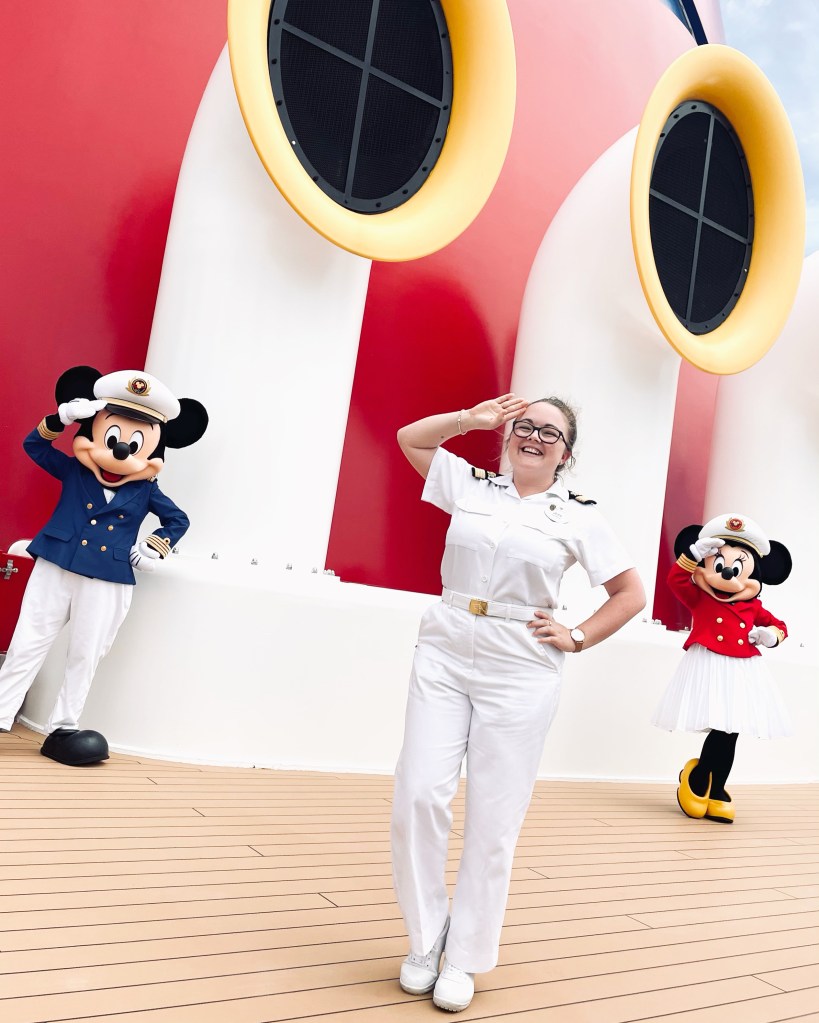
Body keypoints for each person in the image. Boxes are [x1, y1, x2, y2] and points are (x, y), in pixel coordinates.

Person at [390, 392, 645, 1012]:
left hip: (521, 664)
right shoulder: (470, 484)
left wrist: (578, 635)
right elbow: (408, 437)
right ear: (508, 433)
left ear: (566, 454)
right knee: (419, 793)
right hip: (448, 643)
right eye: (524, 425)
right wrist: (465, 421)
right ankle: (427, 938)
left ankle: (467, 955)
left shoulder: (579, 515)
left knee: (494, 817)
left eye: (549, 433)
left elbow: (629, 593)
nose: (532, 437)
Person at [652, 514, 792, 823]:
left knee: (731, 731)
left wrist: (771, 636)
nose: (728, 574)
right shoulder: (699, 596)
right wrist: (692, 556)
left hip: (741, 668)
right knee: (720, 725)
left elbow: (779, 626)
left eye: (738, 567)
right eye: (719, 565)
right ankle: (699, 780)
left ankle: (714, 788)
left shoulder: (752, 606)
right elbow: (675, 581)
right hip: (709, 664)